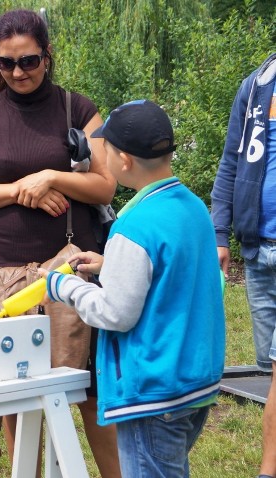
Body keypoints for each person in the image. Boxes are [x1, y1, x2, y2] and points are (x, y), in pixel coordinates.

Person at [0, 10, 120, 475]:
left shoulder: (78, 108)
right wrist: (24, 189)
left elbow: (106, 185)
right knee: (15, 389)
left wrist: (54, 177)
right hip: (3, 267)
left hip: (71, 265)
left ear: (47, 56)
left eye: (28, 61)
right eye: (6, 64)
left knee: (88, 390)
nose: (18, 72)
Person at [42, 99, 225, 476]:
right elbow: (181, 274)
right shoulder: (193, 208)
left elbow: (115, 313)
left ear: (123, 160)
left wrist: (66, 288)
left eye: (103, 148)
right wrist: (114, 267)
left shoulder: (134, 225)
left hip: (153, 391)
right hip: (194, 382)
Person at [210, 53, 276, 478]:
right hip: (259, 251)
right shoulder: (256, 85)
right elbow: (232, 162)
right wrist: (220, 232)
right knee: (270, 366)